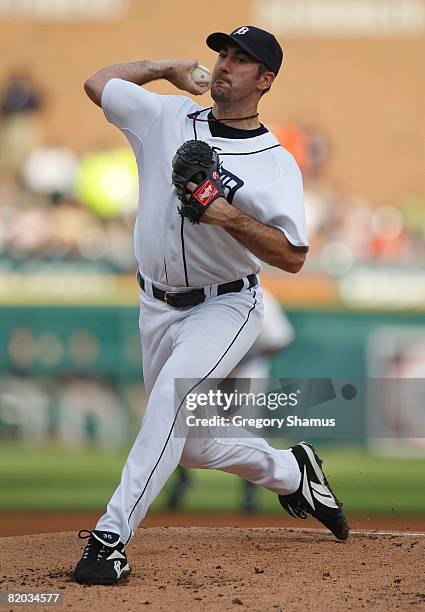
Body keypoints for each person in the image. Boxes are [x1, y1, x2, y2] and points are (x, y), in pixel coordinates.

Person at [74, 25, 349, 586]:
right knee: (193, 447)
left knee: (169, 402)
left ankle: (110, 538)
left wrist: (225, 213)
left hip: (223, 308)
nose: (225, 64)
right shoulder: (167, 117)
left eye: (242, 59)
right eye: (223, 53)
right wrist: (165, 66)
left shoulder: (275, 163)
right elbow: (97, 82)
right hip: (155, 305)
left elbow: (293, 256)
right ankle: (292, 471)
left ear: (265, 80)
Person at [166, 288, 296, 513]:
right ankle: (182, 482)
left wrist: (239, 360)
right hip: (208, 375)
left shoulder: (262, 297)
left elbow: (280, 340)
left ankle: (249, 494)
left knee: (246, 432)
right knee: (181, 424)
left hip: (246, 377)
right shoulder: (204, 292)